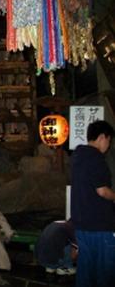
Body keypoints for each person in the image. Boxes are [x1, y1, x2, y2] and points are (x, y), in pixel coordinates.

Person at [71, 120, 115, 287]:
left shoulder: (77, 157)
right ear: (102, 137)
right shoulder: (96, 158)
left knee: (85, 273)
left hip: (82, 226)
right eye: (109, 141)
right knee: (105, 273)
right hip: (101, 226)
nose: (108, 146)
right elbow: (102, 191)